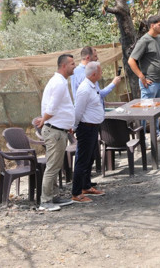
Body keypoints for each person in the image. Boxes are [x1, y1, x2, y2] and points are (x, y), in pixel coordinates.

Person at [34, 54, 76, 211]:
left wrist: (67, 125)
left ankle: (54, 196)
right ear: (64, 66)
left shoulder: (60, 82)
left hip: (59, 130)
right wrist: (44, 120)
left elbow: (60, 108)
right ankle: (45, 201)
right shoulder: (58, 83)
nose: (75, 66)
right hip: (54, 132)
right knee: (52, 167)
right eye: (72, 64)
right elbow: (51, 108)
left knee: (56, 165)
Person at [71, 61, 107, 203]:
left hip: (93, 127)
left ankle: (86, 186)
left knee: (90, 158)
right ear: (93, 74)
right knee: (82, 160)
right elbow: (78, 110)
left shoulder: (92, 86)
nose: (101, 73)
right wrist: (74, 127)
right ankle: (76, 193)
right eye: (100, 71)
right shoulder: (84, 89)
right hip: (85, 128)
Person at [128, 15, 160, 136]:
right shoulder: (144, 41)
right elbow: (131, 60)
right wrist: (141, 76)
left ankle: (156, 135)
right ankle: (142, 138)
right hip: (150, 83)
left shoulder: (158, 38)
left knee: (157, 110)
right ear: (152, 26)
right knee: (145, 112)